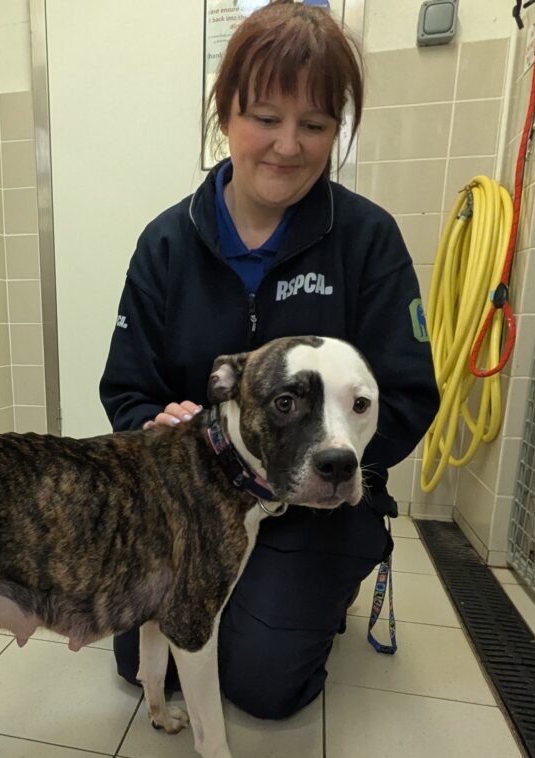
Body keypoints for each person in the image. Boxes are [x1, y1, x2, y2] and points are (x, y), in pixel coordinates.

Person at [99, 1, 440, 720]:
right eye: (265, 117)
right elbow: (128, 388)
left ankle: (319, 592)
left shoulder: (367, 240)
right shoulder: (167, 244)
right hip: (197, 501)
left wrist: (335, 455)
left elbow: (409, 394)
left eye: (314, 124)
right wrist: (155, 424)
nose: (287, 146)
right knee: (141, 658)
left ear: (336, 130)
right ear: (226, 113)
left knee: (259, 682)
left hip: (316, 508)